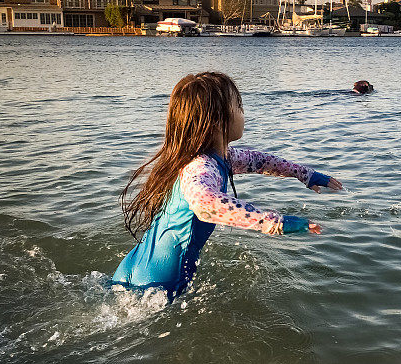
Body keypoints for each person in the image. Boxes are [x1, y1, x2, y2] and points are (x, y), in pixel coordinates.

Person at [111, 71, 342, 300]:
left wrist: (307, 175)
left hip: (134, 267)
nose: (244, 114)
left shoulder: (208, 157)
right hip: (160, 281)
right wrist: (278, 223)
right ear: (217, 120)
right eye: (239, 107)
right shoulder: (201, 167)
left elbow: (261, 161)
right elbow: (205, 204)